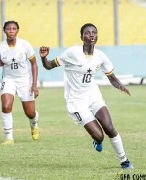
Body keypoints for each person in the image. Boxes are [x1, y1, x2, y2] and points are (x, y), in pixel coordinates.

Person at [39, 23, 134, 169]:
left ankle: (124, 160)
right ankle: (96, 140)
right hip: (77, 100)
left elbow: (111, 76)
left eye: (94, 32)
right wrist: (44, 58)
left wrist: (120, 86)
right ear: (81, 37)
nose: (91, 35)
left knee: (109, 127)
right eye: (87, 33)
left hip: (93, 95)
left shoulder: (100, 56)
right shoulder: (72, 53)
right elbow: (50, 65)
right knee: (100, 135)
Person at [0, 20, 39, 145]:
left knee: (30, 112)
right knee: (6, 106)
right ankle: (9, 138)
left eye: (13, 29)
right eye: (8, 29)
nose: (11, 31)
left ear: (17, 30)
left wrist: (34, 85)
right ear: (4, 30)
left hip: (24, 80)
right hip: (8, 79)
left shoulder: (25, 45)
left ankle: (34, 124)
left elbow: (34, 64)